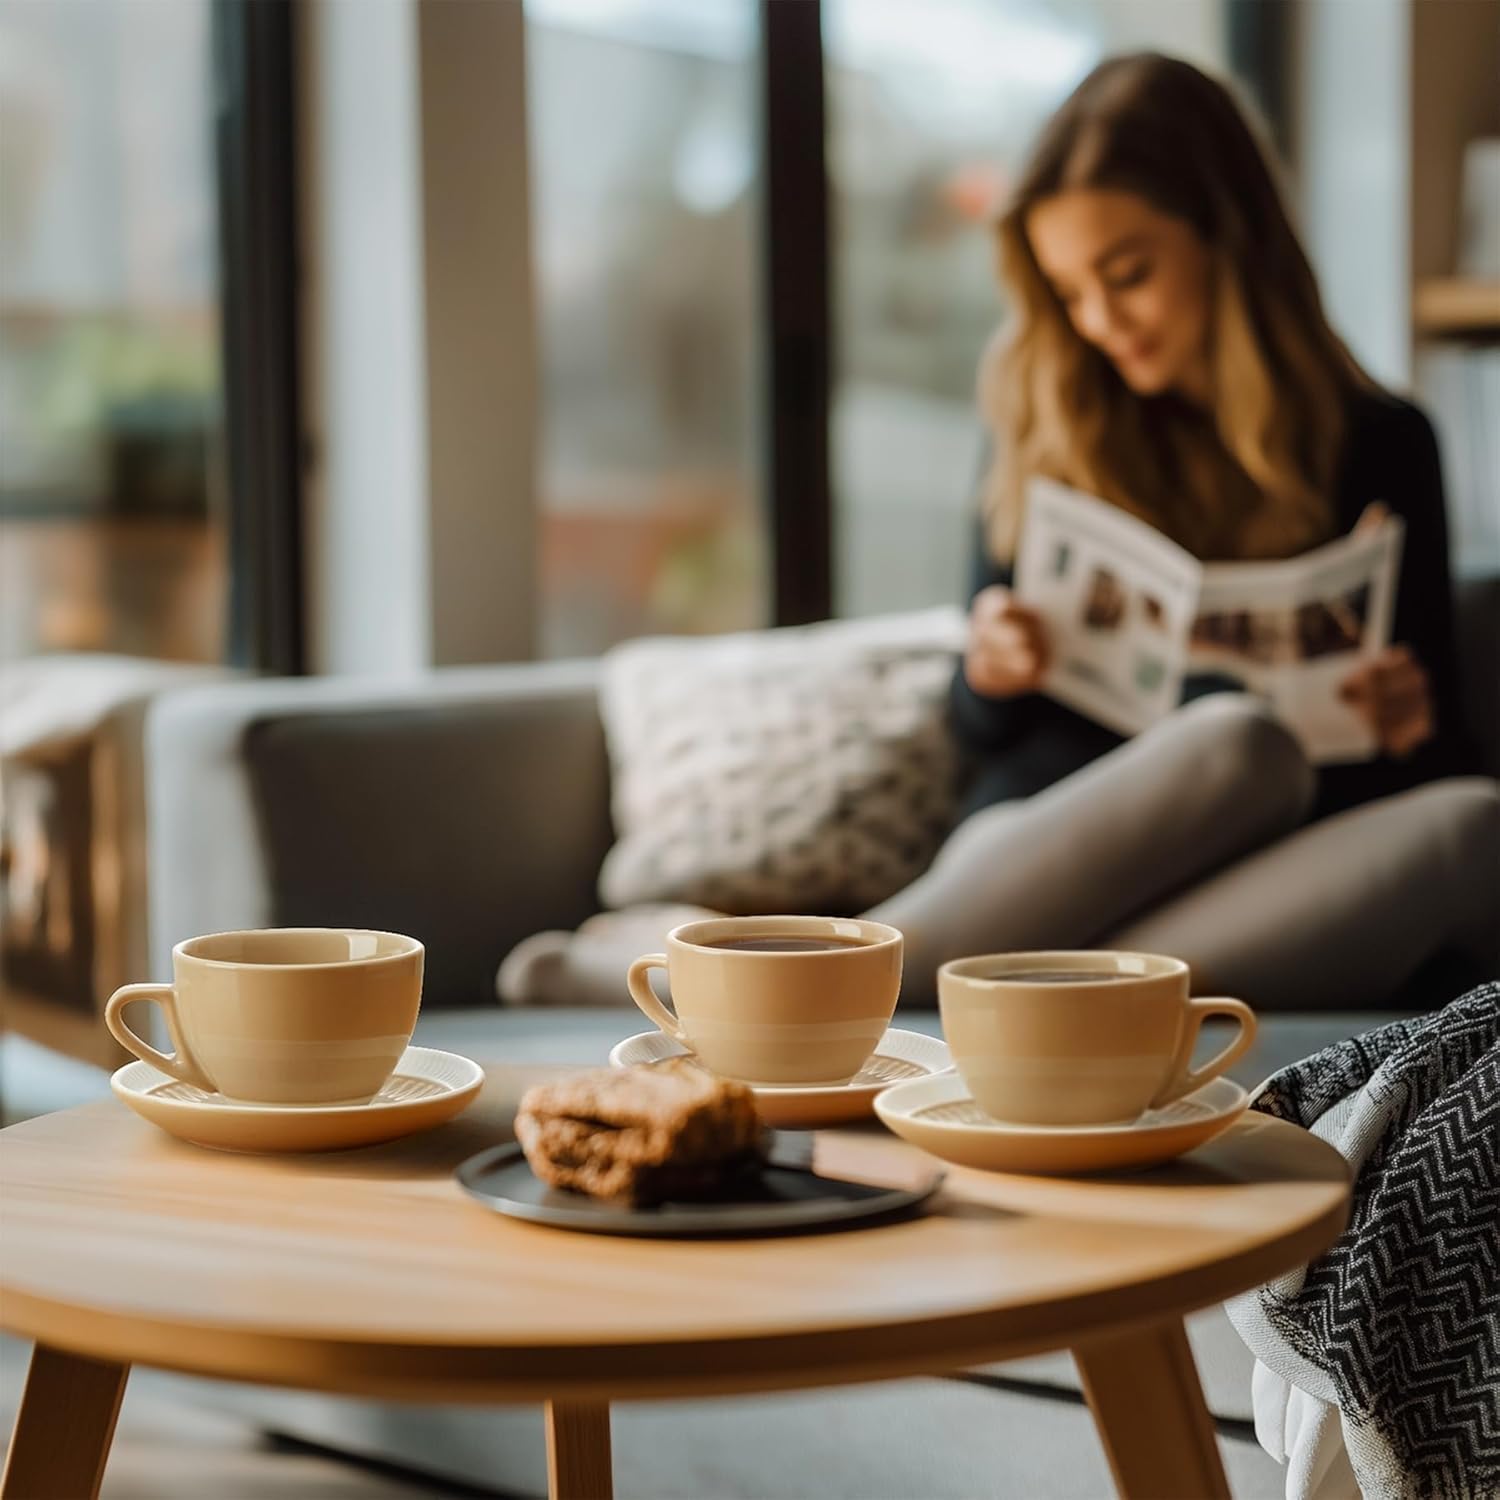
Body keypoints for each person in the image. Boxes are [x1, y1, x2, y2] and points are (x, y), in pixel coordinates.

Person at [501, 53, 1497, 1014]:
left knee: (1467, 825)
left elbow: (1433, 757)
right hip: (1042, 854)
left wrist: (1398, 725)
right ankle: (853, 975)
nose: (1102, 319)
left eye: (1129, 273)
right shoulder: (1047, 417)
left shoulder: (1383, 442)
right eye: (1071, 292)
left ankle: (845, 990)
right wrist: (992, 669)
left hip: (1263, 868)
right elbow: (979, 727)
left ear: (1226, 238)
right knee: (1239, 743)